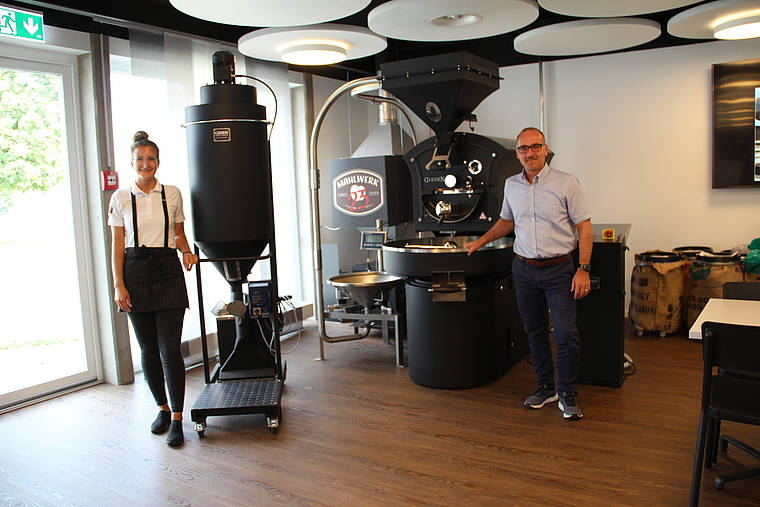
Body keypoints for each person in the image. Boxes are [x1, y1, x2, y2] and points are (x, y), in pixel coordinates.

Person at [465, 127, 592, 420]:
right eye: (523, 149)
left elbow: (584, 227)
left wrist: (583, 270)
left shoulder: (566, 183)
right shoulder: (512, 185)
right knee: (534, 333)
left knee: (565, 333)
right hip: (524, 270)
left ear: (545, 150)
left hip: (560, 269)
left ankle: (568, 393)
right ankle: (546, 387)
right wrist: (480, 242)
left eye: (535, 147)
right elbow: (506, 222)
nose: (529, 153)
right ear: (517, 153)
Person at [108, 131, 198, 446]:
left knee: (170, 350)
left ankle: (177, 418)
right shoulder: (119, 197)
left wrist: (187, 251)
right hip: (134, 270)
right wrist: (119, 285)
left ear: (158, 161)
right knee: (147, 350)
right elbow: (118, 245)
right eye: (140, 160)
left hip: (167, 268)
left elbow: (179, 234)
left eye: (151, 159)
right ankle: (161, 407)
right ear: (132, 163)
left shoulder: (171, 193)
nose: (146, 164)